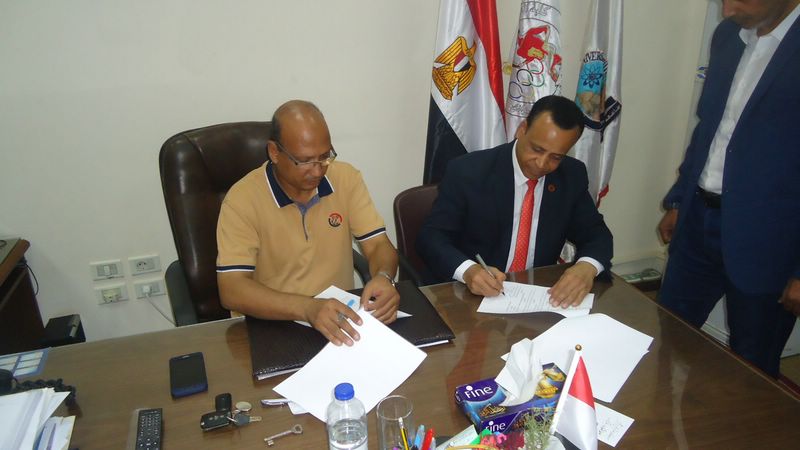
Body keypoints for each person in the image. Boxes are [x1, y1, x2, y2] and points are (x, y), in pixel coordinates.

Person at [658, 0, 800, 378]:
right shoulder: (728, 36)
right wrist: (679, 199)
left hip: (769, 245)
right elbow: (710, 128)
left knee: (751, 369)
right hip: (697, 222)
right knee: (667, 338)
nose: (727, 10)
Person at [216, 100, 400, 346]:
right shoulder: (242, 200)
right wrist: (308, 308)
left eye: (324, 157)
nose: (317, 171)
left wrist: (384, 277)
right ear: (274, 152)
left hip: (339, 322)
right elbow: (231, 289)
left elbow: (378, 245)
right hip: (271, 327)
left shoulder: (346, 178)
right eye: (304, 161)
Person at [417, 95, 613, 306]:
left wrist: (587, 267)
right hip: (471, 296)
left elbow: (596, 234)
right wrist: (468, 270)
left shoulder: (571, 176)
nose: (542, 163)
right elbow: (432, 236)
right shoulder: (468, 171)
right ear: (522, 129)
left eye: (556, 157)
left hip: (537, 296)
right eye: (537, 149)